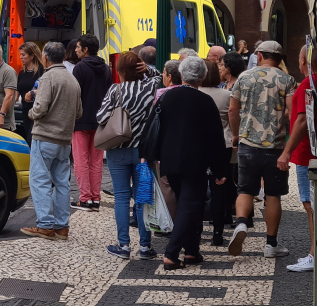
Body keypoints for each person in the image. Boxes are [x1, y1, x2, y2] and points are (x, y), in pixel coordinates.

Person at [150, 57, 228, 269]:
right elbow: (215, 138)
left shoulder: (166, 97)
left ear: (182, 74)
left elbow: (157, 127)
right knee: (189, 204)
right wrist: (220, 168)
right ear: (201, 77)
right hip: (196, 161)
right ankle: (171, 254)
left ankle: (192, 251)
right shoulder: (205, 101)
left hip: (169, 159)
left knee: (187, 204)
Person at [228, 41, 297, 258]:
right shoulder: (287, 79)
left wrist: (237, 134)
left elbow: (232, 109)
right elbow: (292, 111)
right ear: (279, 58)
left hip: (248, 143)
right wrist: (282, 122)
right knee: (273, 194)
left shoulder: (244, 77)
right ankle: (271, 244)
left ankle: (240, 223)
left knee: (245, 189)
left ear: (258, 55)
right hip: (275, 147)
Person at [96, 51, 161, 260]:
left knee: (122, 197)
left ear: (120, 71)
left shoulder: (115, 90)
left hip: (118, 150)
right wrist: (149, 70)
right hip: (143, 152)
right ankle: (145, 247)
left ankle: (123, 245)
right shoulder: (150, 87)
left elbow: (101, 116)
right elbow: (163, 76)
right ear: (139, 69)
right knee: (143, 198)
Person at [20, 42, 83, 241]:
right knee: (62, 182)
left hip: (45, 136)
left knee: (39, 180)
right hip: (64, 139)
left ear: (45, 57)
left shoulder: (47, 77)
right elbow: (79, 112)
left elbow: (40, 109)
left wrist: (31, 113)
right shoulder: (72, 80)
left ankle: (46, 225)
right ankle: (62, 226)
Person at [281, 45, 317, 273]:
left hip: (307, 153)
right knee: (313, 205)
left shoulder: (308, 83)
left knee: (310, 205)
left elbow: (301, 121)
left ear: (304, 61)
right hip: (313, 151)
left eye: (299, 58)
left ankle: (314, 253)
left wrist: (287, 151)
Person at [70, 34, 113, 212]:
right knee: (96, 161)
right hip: (100, 121)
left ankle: (85, 198)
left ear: (86, 49)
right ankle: (95, 198)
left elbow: (75, 95)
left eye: (78, 47)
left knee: (80, 160)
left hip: (81, 120)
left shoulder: (79, 68)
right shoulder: (106, 68)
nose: (76, 49)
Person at [200, 60, 234, 246]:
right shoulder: (226, 95)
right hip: (222, 144)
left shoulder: (195, 94)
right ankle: (218, 233)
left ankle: (196, 229)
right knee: (219, 187)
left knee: (196, 188)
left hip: (199, 145)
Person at [16, 42, 44, 143]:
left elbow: (46, 89)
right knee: (27, 139)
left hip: (37, 111)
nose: (20, 57)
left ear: (32, 55)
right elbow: (18, 91)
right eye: (20, 55)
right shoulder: (22, 73)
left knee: (31, 140)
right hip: (25, 111)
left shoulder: (41, 70)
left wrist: (32, 93)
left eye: (23, 55)